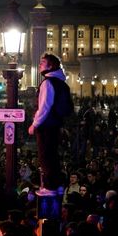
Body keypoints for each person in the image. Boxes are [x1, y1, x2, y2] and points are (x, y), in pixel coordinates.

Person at [28, 53, 70, 197]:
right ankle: (57, 185)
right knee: (53, 155)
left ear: (50, 66)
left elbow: (45, 106)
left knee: (45, 155)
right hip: (56, 124)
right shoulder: (60, 82)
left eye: (43, 62)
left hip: (46, 125)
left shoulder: (48, 83)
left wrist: (34, 124)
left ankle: (50, 187)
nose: (40, 64)